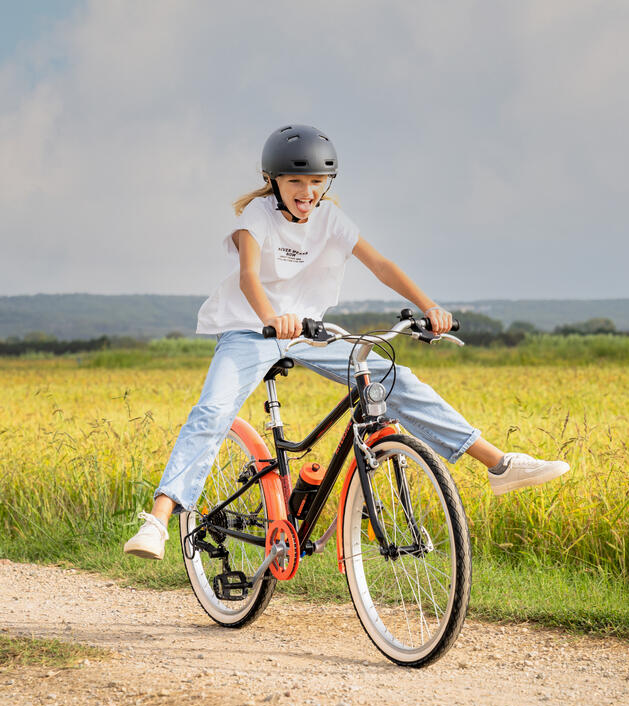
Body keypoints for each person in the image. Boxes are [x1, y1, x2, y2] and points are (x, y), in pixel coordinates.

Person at [124, 124, 569, 560]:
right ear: (272, 181)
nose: (307, 191)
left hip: (309, 333)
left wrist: (430, 307)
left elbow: (381, 264)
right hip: (251, 330)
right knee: (212, 411)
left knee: (393, 378)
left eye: (316, 181)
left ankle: (499, 465)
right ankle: (159, 521)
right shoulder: (254, 218)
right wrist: (271, 319)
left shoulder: (331, 219)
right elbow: (248, 278)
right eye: (296, 180)